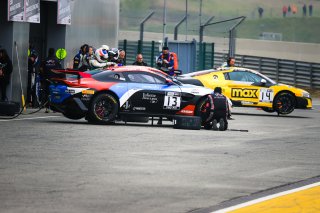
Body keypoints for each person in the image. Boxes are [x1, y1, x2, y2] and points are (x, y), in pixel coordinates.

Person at [40, 48, 62, 112]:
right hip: (54, 80)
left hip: (46, 79)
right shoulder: (57, 61)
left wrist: (43, 76)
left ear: (48, 52)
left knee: (46, 92)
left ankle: (46, 107)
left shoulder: (45, 60)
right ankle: (54, 108)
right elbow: (60, 71)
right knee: (54, 92)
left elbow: (41, 69)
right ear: (54, 52)